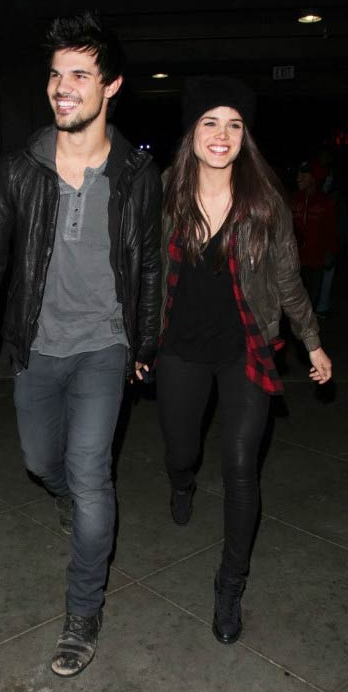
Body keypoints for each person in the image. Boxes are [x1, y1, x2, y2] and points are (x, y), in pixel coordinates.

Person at [0, 11, 161, 677]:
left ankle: (82, 611)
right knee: (41, 462)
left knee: (89, 472)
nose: (62, 86)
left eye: (79, 74)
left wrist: (144, 344)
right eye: (55, 74)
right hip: (36, 349)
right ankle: (69, 500)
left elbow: (150, 267)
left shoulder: (135, 176)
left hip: (104, 346)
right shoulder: (20, 170)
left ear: (112, 87)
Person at [157, 76, 331, 647]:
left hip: (245, 353)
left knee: (239, 466)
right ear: (192, 133)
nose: (222, 134)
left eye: (234, 124)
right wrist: (134, 341)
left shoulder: (264, 203)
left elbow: (286, 281)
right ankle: (181, 482)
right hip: (180, 350)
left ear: (245, 136)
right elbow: (140, 274)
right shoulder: (165, 194)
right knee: (182, 449)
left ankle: (230, 583)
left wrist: (313, 340)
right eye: (210, 121)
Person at [291, 160, 337, 312]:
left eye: (303, 174)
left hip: (315, 261)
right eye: (298, 174)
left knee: (310, 299)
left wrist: (330, 252)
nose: (298, 178)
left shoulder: (325, 202)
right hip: (294, 261)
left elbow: (331, 230)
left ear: (313, 178)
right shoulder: (293, 199)